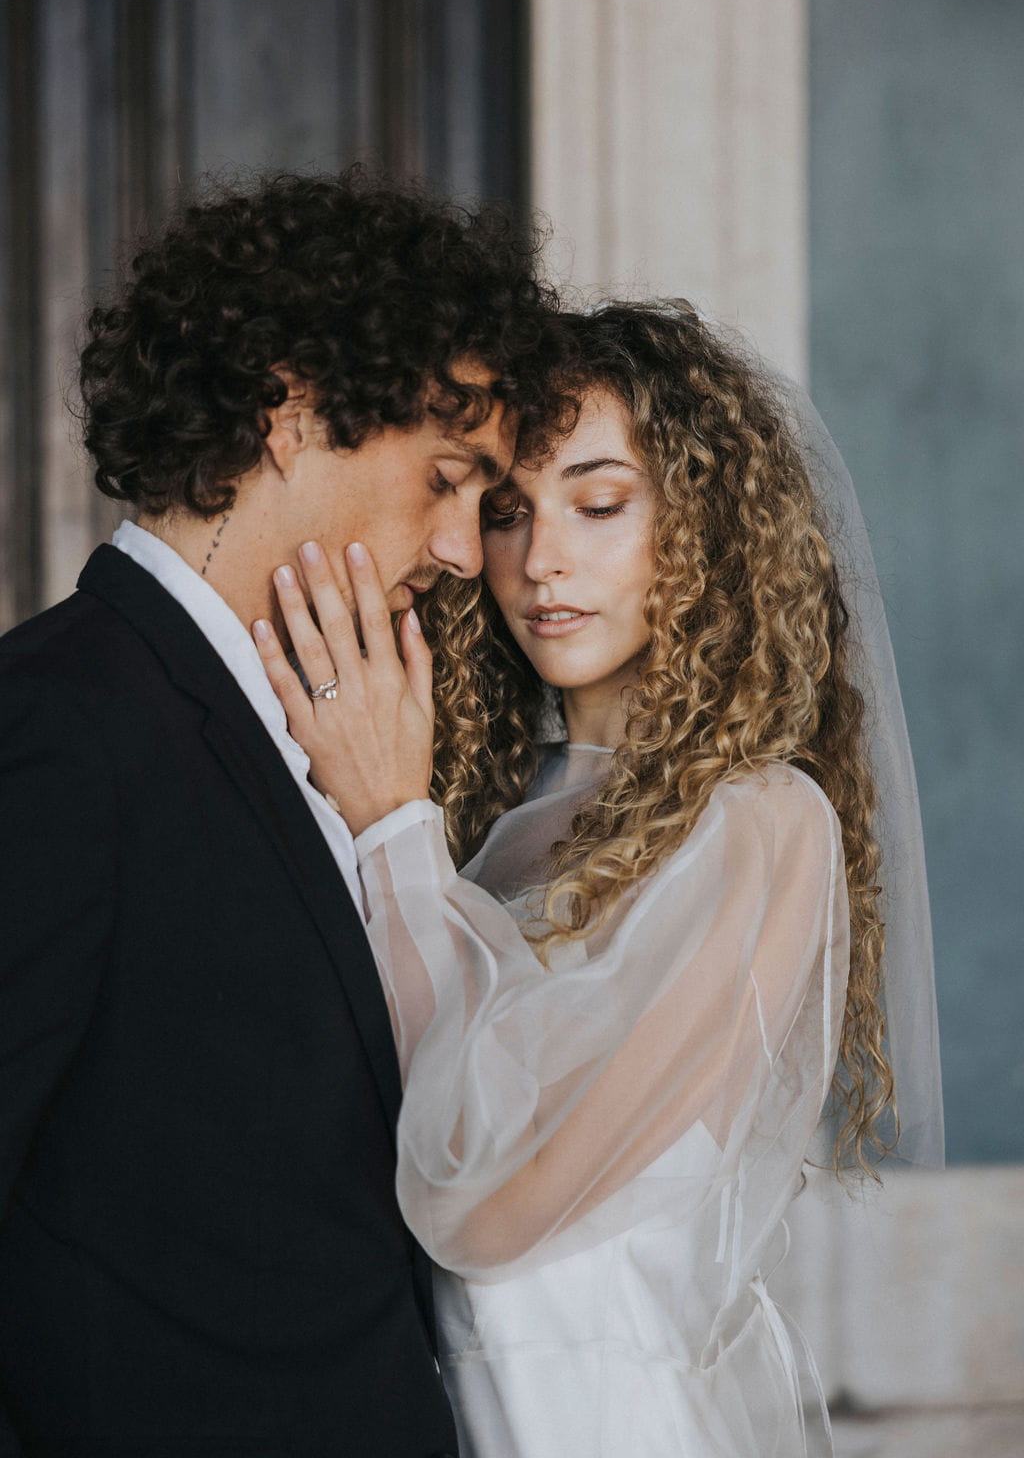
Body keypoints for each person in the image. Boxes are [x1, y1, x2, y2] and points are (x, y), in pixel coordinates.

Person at [254, 302, 944, 1458]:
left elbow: (488, 1208)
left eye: (602, 503)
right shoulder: (494, 827)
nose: (543, 561)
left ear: (707, 530)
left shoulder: (762, 823)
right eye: (509, 512)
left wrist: (390, 829)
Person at [0, 167, 570, 1455]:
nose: (465, 554)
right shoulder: (57, 728)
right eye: (446, 479)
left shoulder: (329, 740)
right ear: (290, 408)